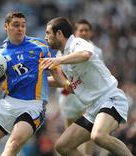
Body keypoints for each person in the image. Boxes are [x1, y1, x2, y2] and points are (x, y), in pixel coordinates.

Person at [0, 12, 70, 156]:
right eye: (16, 25)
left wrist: (67, 84)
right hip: (8, 104)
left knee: (13, 144)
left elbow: (56, 73)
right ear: (6, 26)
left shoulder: (40, 46)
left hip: (33, 105)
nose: (20, 28)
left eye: (23, 25)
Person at [41, 17, 132, 156]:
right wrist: (36, 80)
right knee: (63, 146)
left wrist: (57, 61)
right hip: (92, 109)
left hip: (110, 99)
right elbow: (63, 82)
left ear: (59, 33)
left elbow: (85, 54)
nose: (45, 37)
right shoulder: (63, 54)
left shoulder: (77, 43)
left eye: (48, 33)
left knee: (98, 136)